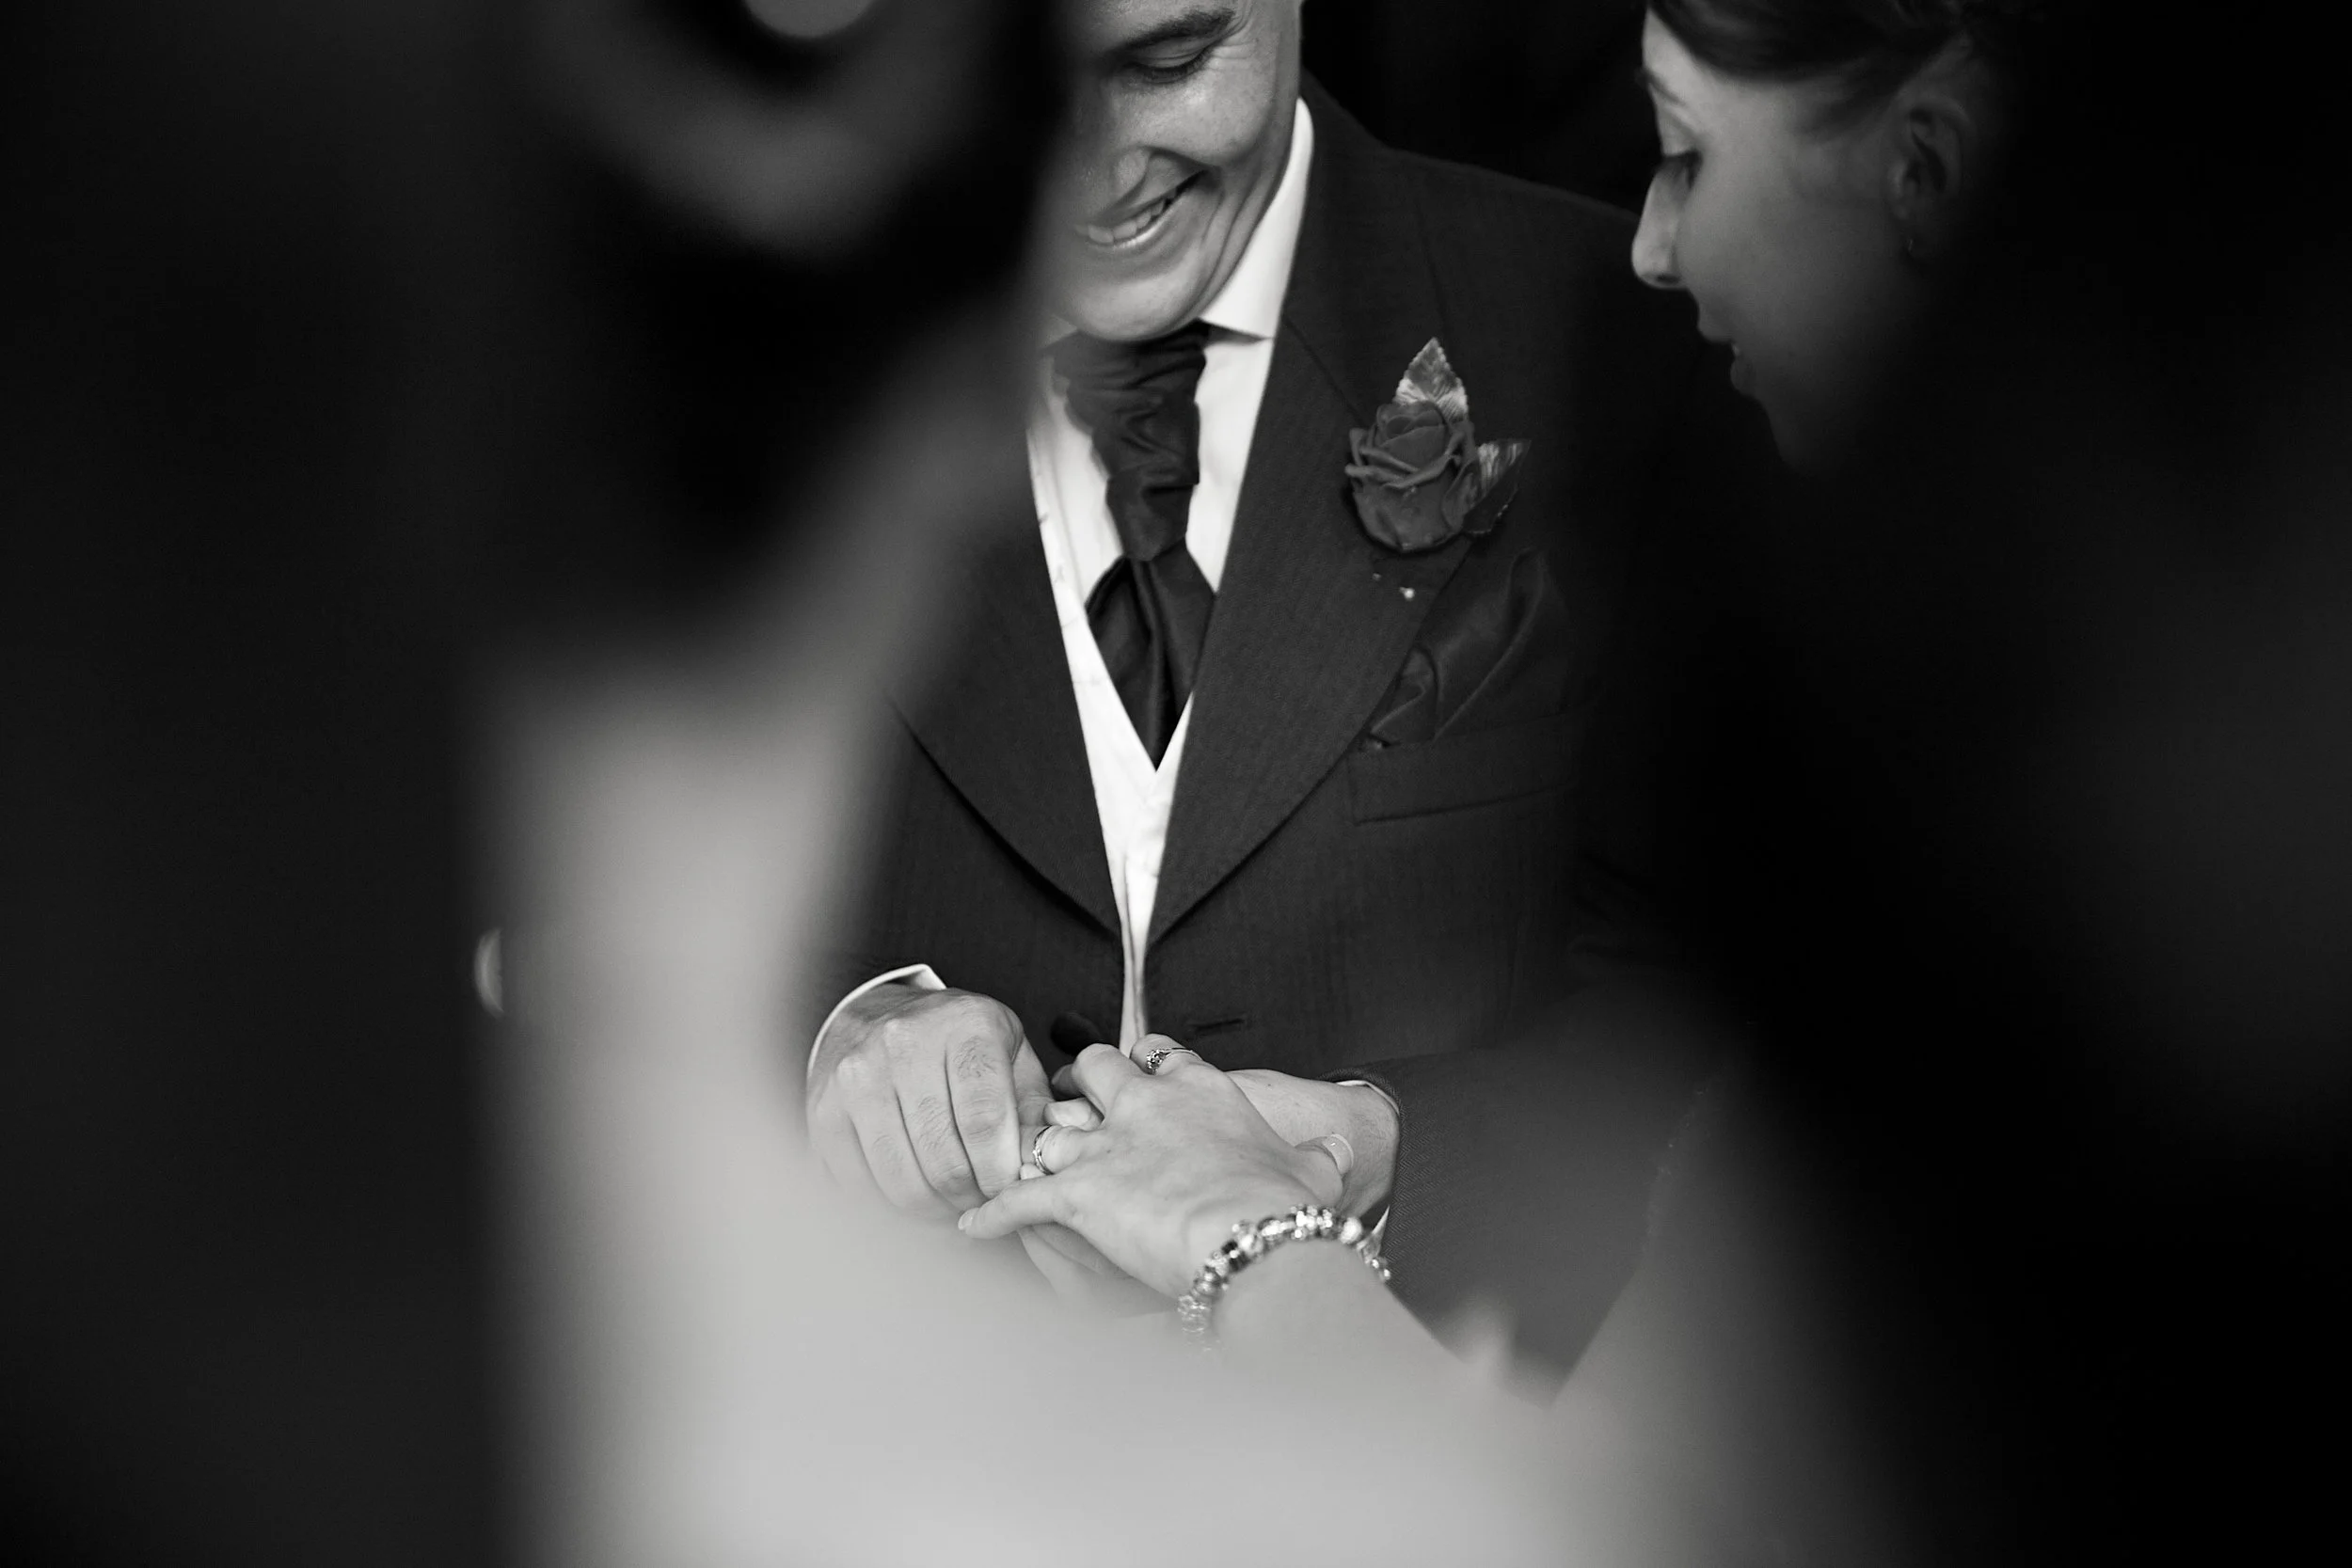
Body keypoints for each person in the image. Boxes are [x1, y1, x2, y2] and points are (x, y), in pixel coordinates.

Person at [800, 0, 1750, 1369]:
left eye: (1167, 63)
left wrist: (1382, 1143)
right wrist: (842, 1031)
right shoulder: (780, 345)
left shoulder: (1628, 331)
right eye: (1026, 72)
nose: (1090, 164)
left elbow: (1710, 1031)